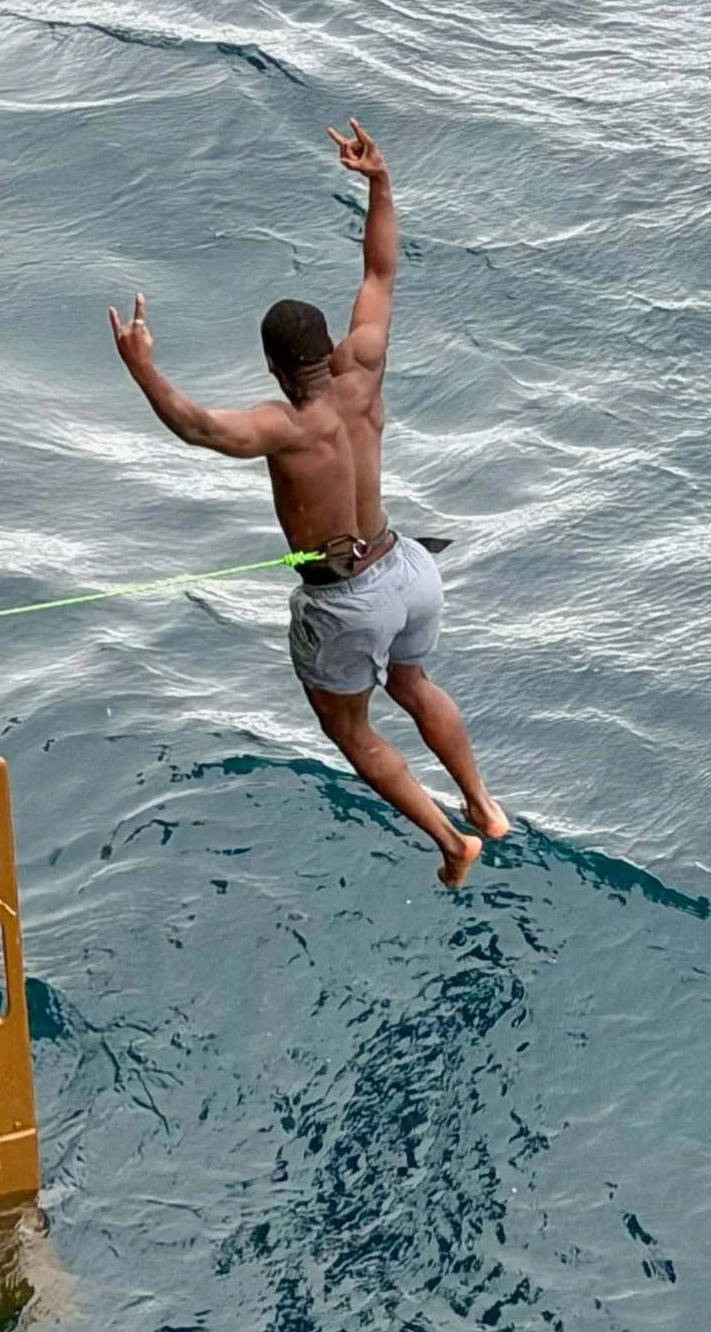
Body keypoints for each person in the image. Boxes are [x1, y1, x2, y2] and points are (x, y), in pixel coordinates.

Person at [110, 119, 508, 888]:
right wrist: (380, 182)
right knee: (413, 683)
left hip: (348, 599)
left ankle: (454, 842)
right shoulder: (363, 368)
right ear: (327, 349)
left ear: (270, 363)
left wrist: (141, 369)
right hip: (410, 568)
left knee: (349, 729)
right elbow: (380, 274)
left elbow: (196, 427)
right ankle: (483, 805)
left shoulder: (282, 427)